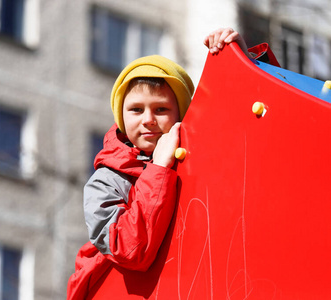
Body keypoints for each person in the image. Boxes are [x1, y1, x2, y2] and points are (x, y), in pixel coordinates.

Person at [67, 28, 279, 299]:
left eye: (161, 109)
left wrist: (245, 60)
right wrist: (158, 169)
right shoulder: (107, 180)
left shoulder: (194, 154)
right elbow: (130, 250)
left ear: (181, 114)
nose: (148, 119)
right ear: (120, 116)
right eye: (136, 109)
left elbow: (259, 133)